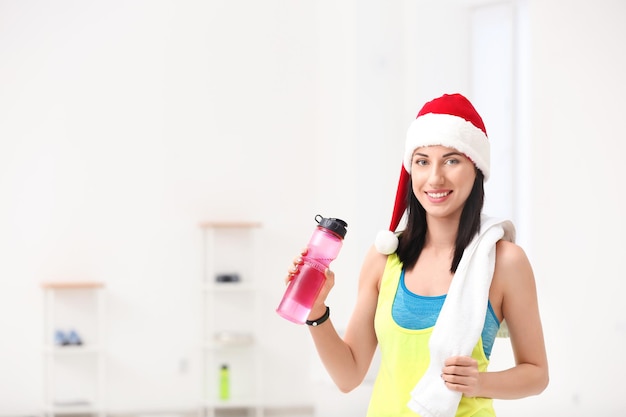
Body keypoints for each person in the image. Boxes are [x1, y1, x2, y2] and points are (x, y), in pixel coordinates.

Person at [285, 93, 548, 417]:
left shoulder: (504, 262)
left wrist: (479, 383)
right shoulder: (384, 260)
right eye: (422, 161)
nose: (435, 177)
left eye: (451, 160)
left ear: (476, 168)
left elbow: (536, 374)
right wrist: (316, 310)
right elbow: (348, 375)